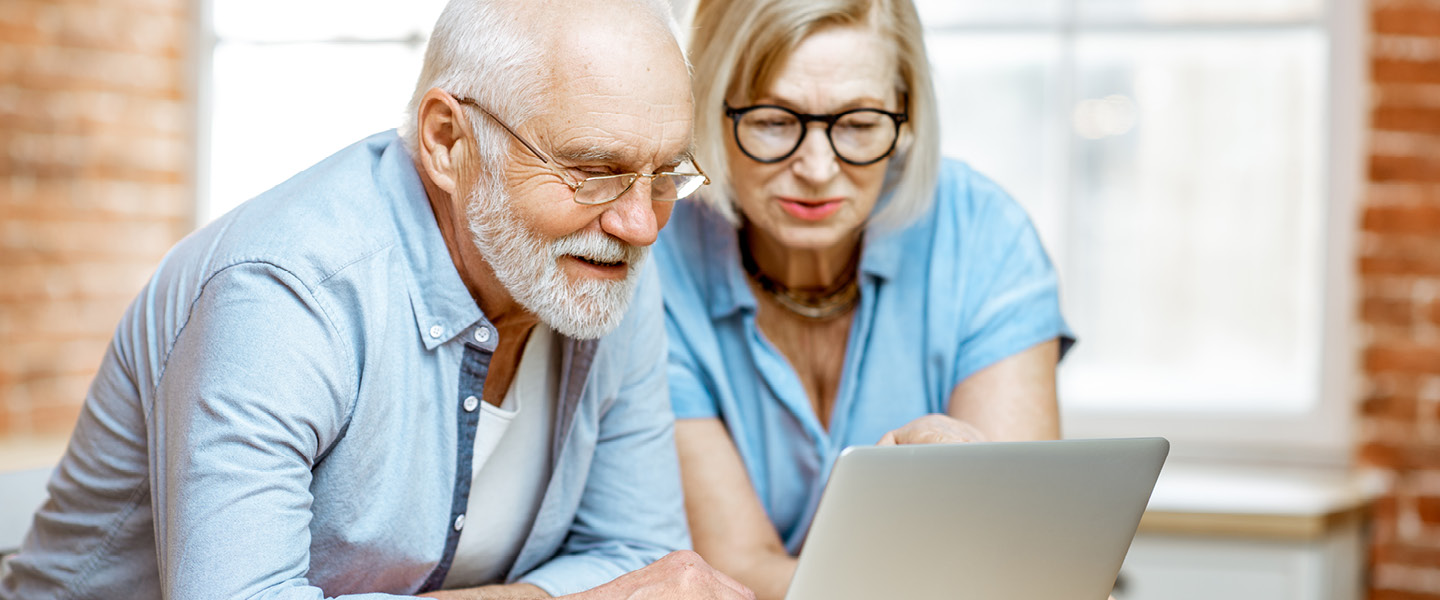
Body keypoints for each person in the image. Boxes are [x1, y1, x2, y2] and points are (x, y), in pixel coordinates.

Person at [0, 1, 754, 599]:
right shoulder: (283, 291)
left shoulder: (602, 256)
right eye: (593, 169)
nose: (640, 223)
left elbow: (637, 555)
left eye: (665, 175)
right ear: (447, 141)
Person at [655, 0, 1076, 598]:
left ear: (906, 119)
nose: (818, 168)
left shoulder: (986, 235)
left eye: (858, 124)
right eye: (774, 120)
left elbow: (1012, 556)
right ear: (710, 111)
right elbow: (735, 568)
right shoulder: (660, 256)